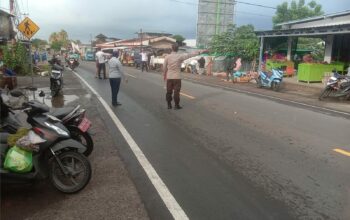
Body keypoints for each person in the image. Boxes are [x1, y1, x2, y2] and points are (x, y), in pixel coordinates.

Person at [163, 43, 206, 110]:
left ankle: (169, 105)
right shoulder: (180, 56)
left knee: (169, 92)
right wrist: (201, 51)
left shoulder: (167, 57)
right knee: (176, 92)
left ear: (172, 48)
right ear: (178, 49)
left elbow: (164, 68)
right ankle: (176, 106)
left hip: (169, 77)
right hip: (177, 77)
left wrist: (164, 75)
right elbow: (190, 55)